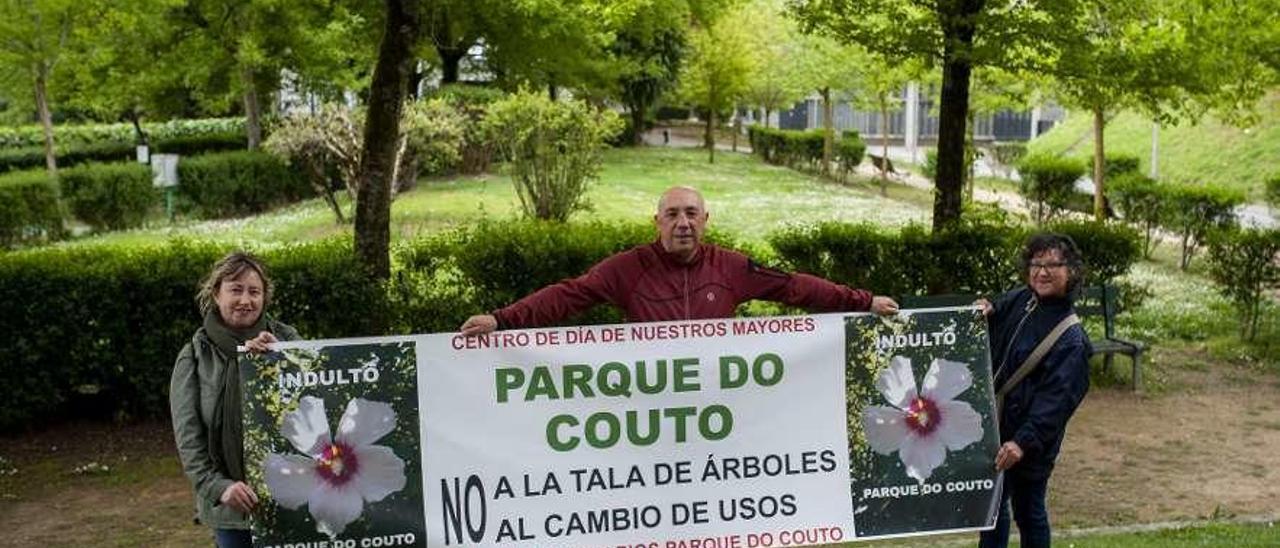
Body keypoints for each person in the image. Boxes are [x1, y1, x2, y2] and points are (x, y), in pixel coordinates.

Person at [460, 186, 898, 335]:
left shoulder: (732, 267)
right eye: (672, 214)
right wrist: (502, 320)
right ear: (657, 222)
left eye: (691, 214)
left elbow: (794, 287)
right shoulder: (627, 269)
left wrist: (863, 302)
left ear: (705, 221)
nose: (682, 223)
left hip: (715, 402)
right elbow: (568, 296)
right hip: (652, 404)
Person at [170, 252, 300, 548]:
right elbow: (188, 437)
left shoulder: (288, 339)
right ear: (217, 294)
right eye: (235, 289)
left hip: (290, 494)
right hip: (231, 507)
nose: (245, 299)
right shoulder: (194, 355)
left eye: (254, 291)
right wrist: (218, 487)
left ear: (265, 297)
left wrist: (282, 360)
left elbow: (315, 402)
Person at [975, 233, 1092, 548]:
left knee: (1029, 511)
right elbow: (997, 309)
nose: (1042, 272)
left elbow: (1056, 403)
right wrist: (987, 307)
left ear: (1071, 272)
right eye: (1036, 264)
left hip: (1027, 442)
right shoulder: (1022, 300)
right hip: (998, 428)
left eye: (1052, 265)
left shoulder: (1072, 340)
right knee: (993, 511)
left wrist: (1021, 442)